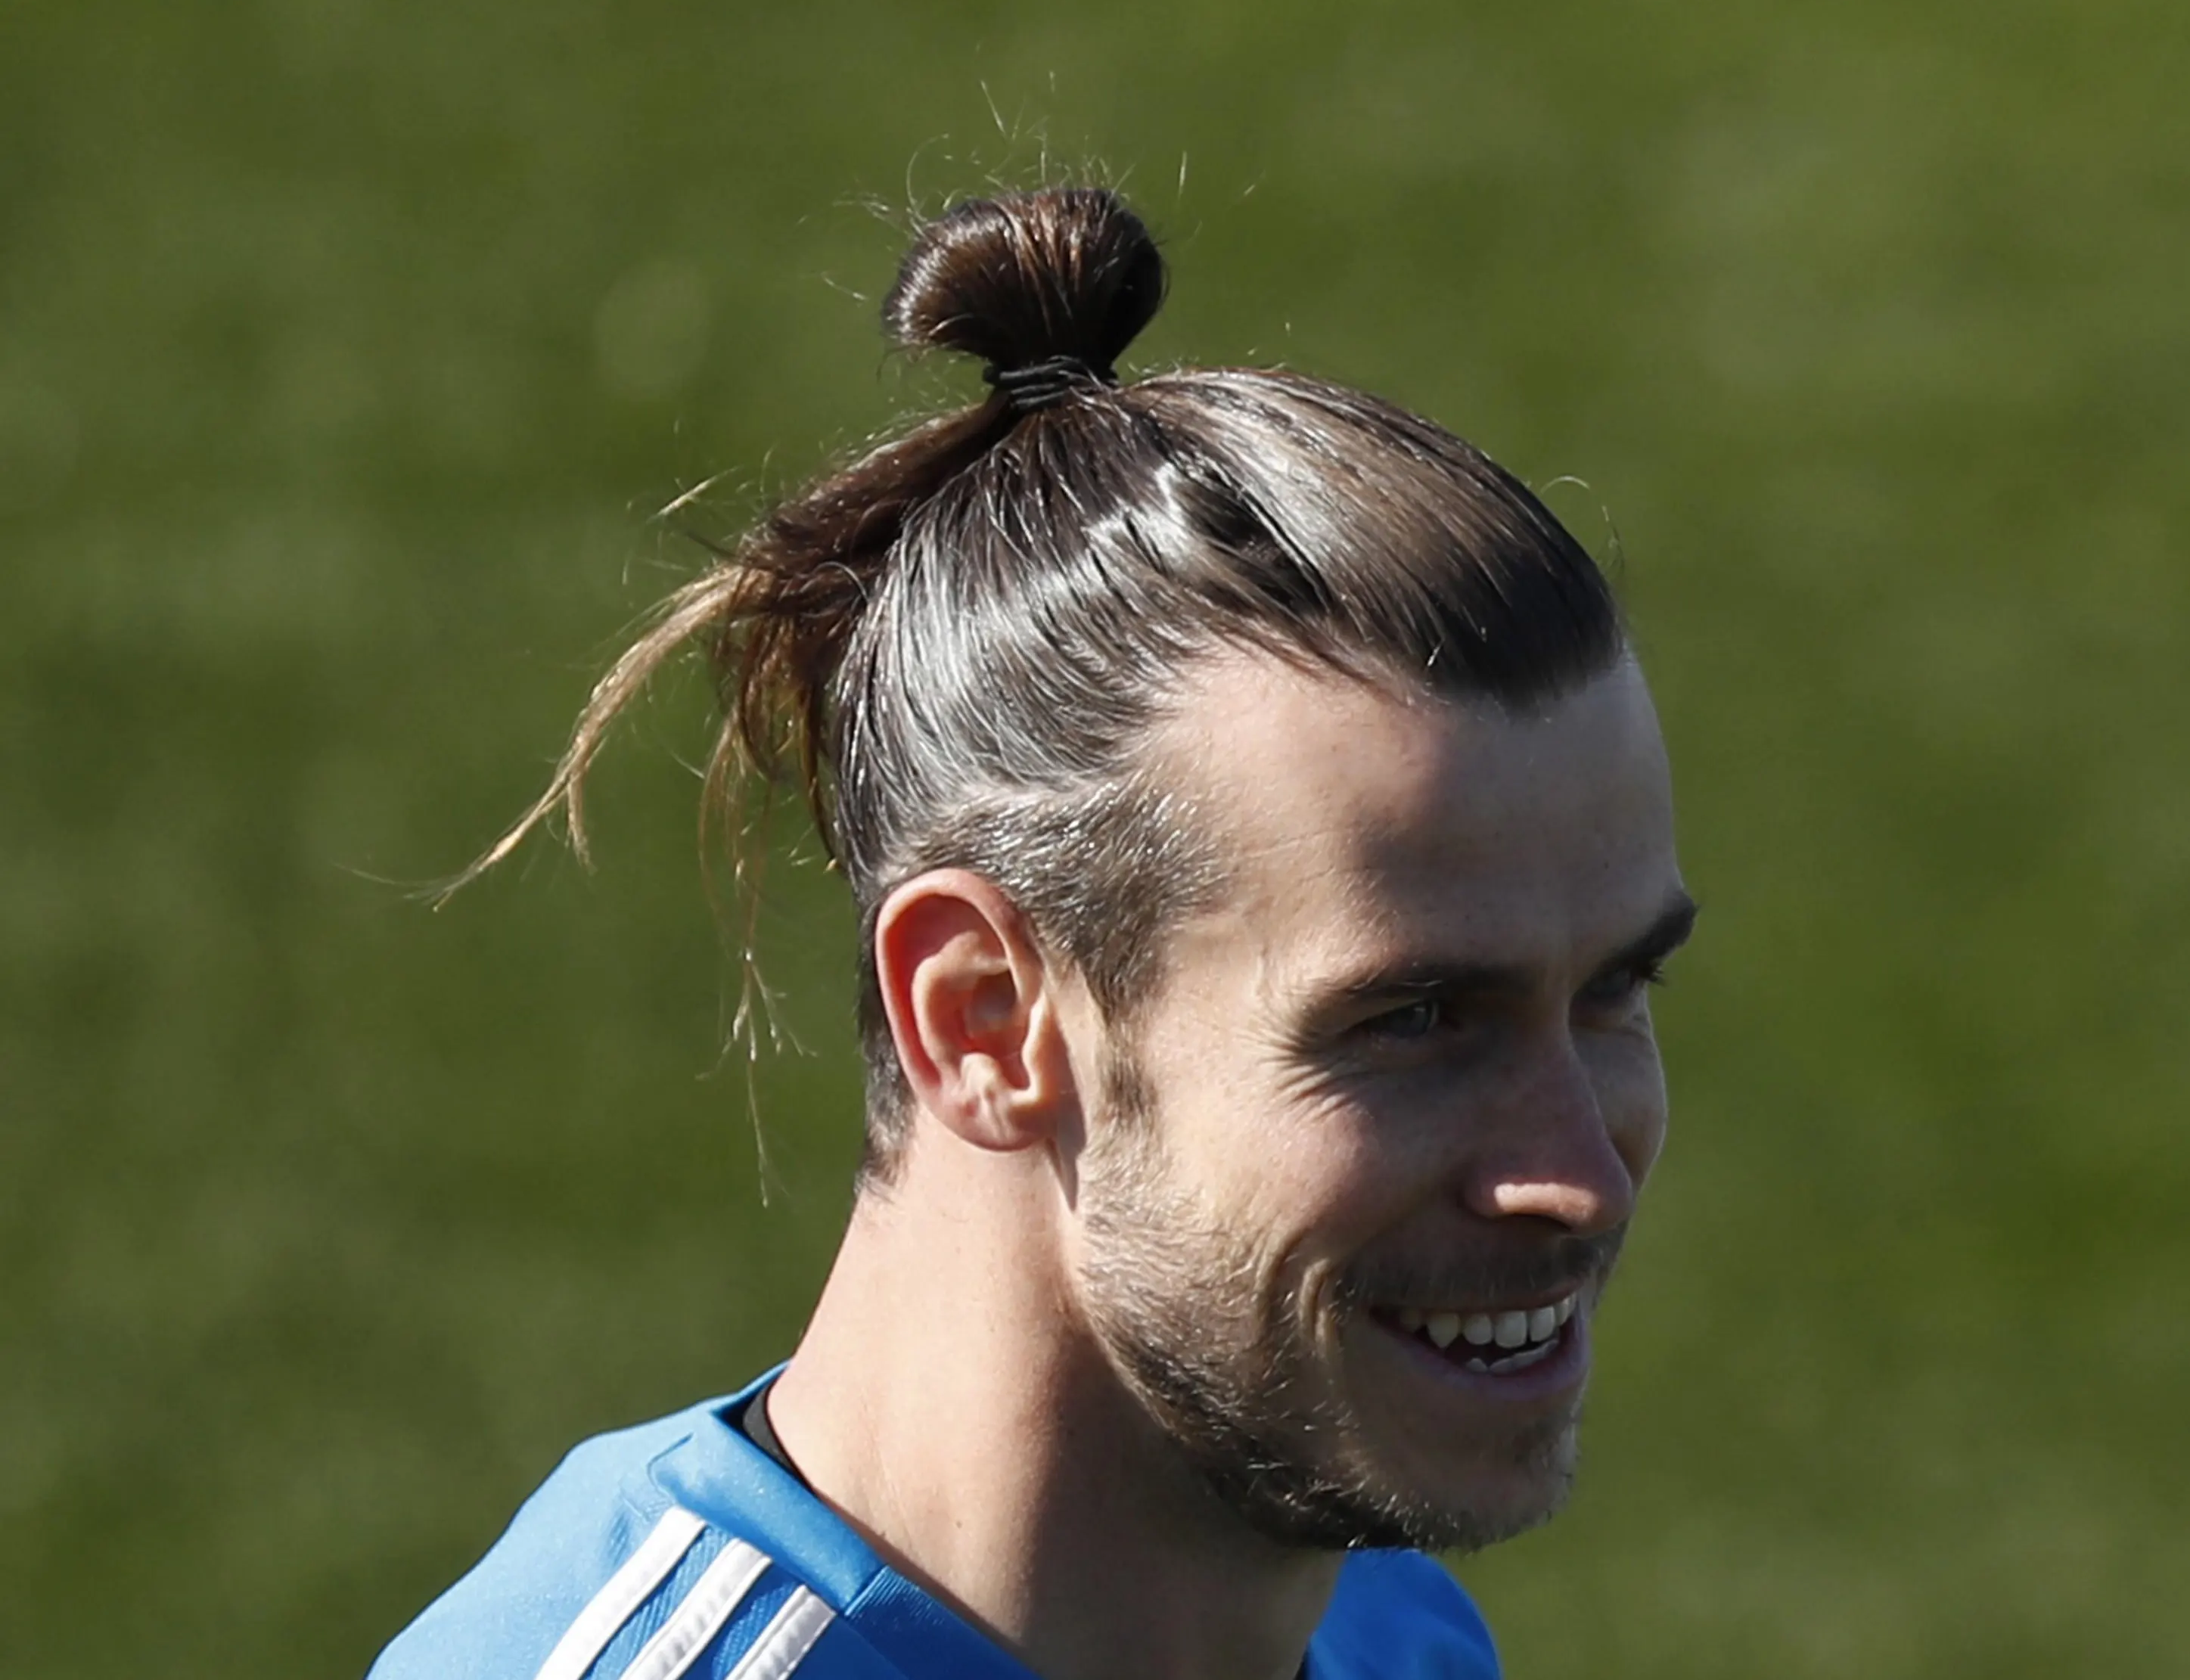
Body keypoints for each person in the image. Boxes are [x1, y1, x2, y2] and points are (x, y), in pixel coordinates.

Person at [371, 185, 1693, 1680]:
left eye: (1613, 994)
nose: (1578, 1177)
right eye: (1415, 1021)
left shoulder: (1393, 1636)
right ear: (983, 1018)